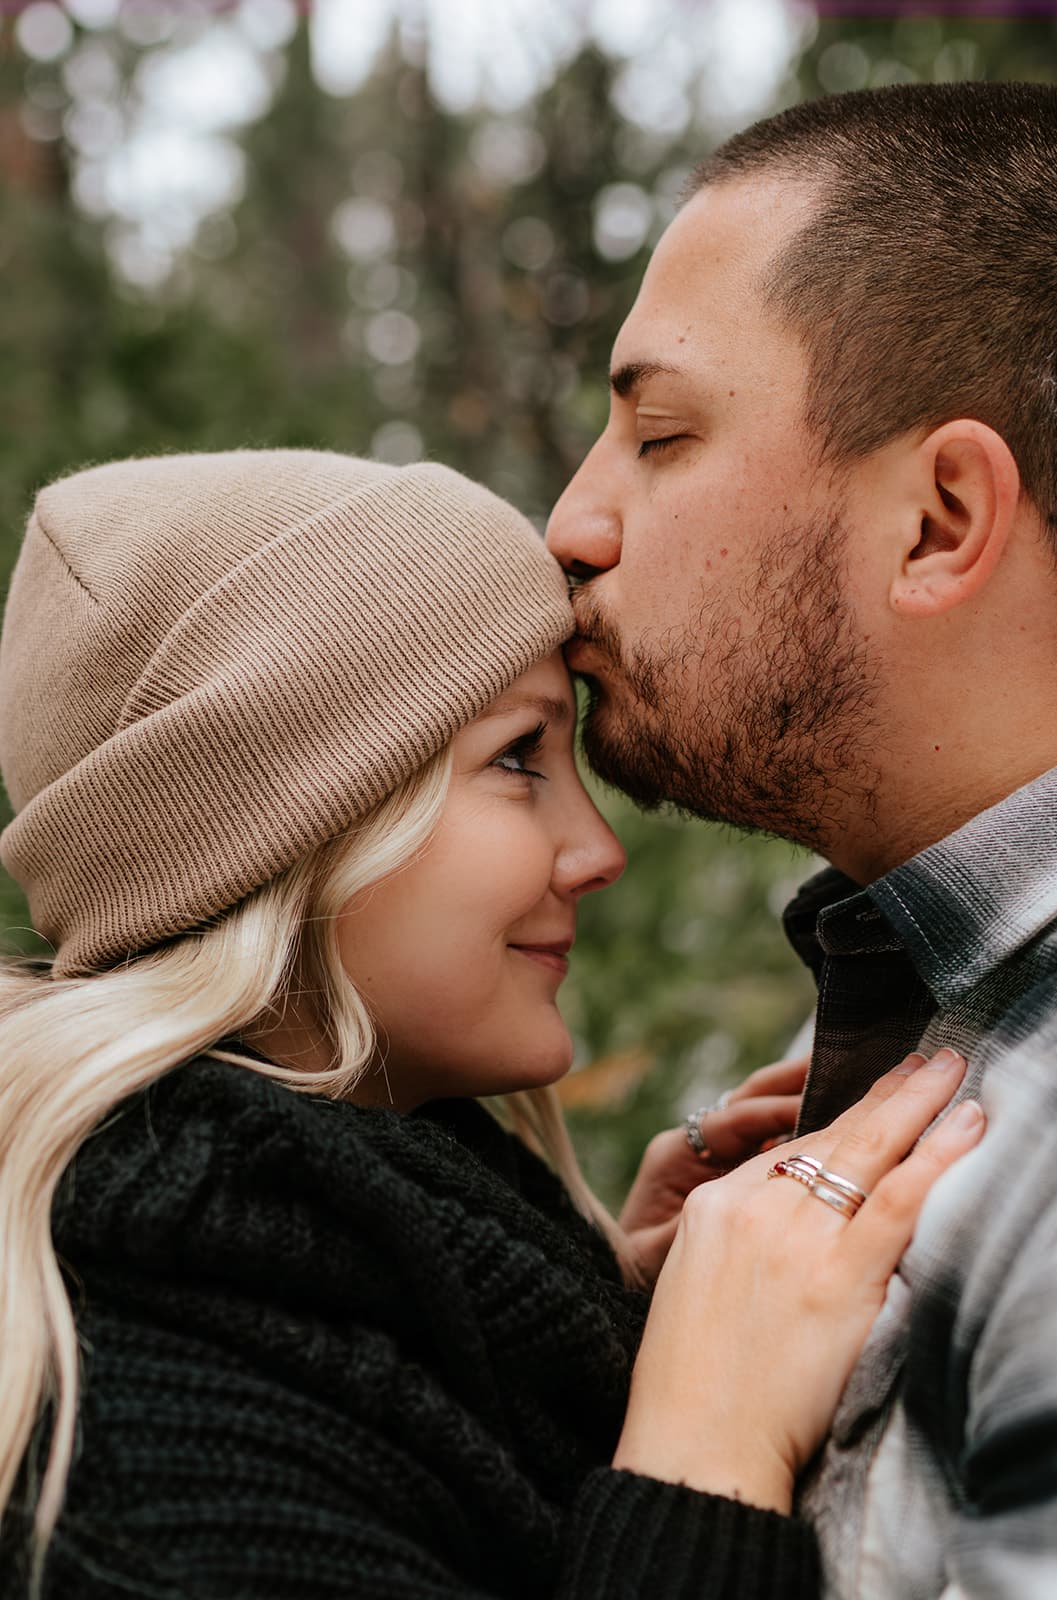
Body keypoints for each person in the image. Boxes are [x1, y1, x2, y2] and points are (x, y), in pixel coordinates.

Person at [0, 449, 982, 1599]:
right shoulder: (149, 1487)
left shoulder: (292, 1275)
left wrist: (605, 1322)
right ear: (285, 830)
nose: (597, 849)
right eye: (517, 756)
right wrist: (704, 1451)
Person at [546, 78, 1057, 1599]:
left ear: (937, 521)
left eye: (657, 433)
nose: (570, 523)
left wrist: (694, 1467)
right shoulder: (924, 1019)